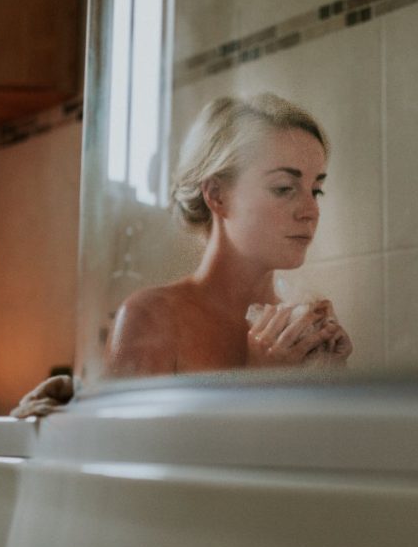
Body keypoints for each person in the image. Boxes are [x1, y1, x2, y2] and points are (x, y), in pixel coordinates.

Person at [105, 93, 352, 377]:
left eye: (315, 190)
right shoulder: (150, 319)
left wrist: (332, 379)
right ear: (217, 195)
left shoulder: (300, 331)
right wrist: (262, 383)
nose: (311, 211)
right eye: (284, 188)